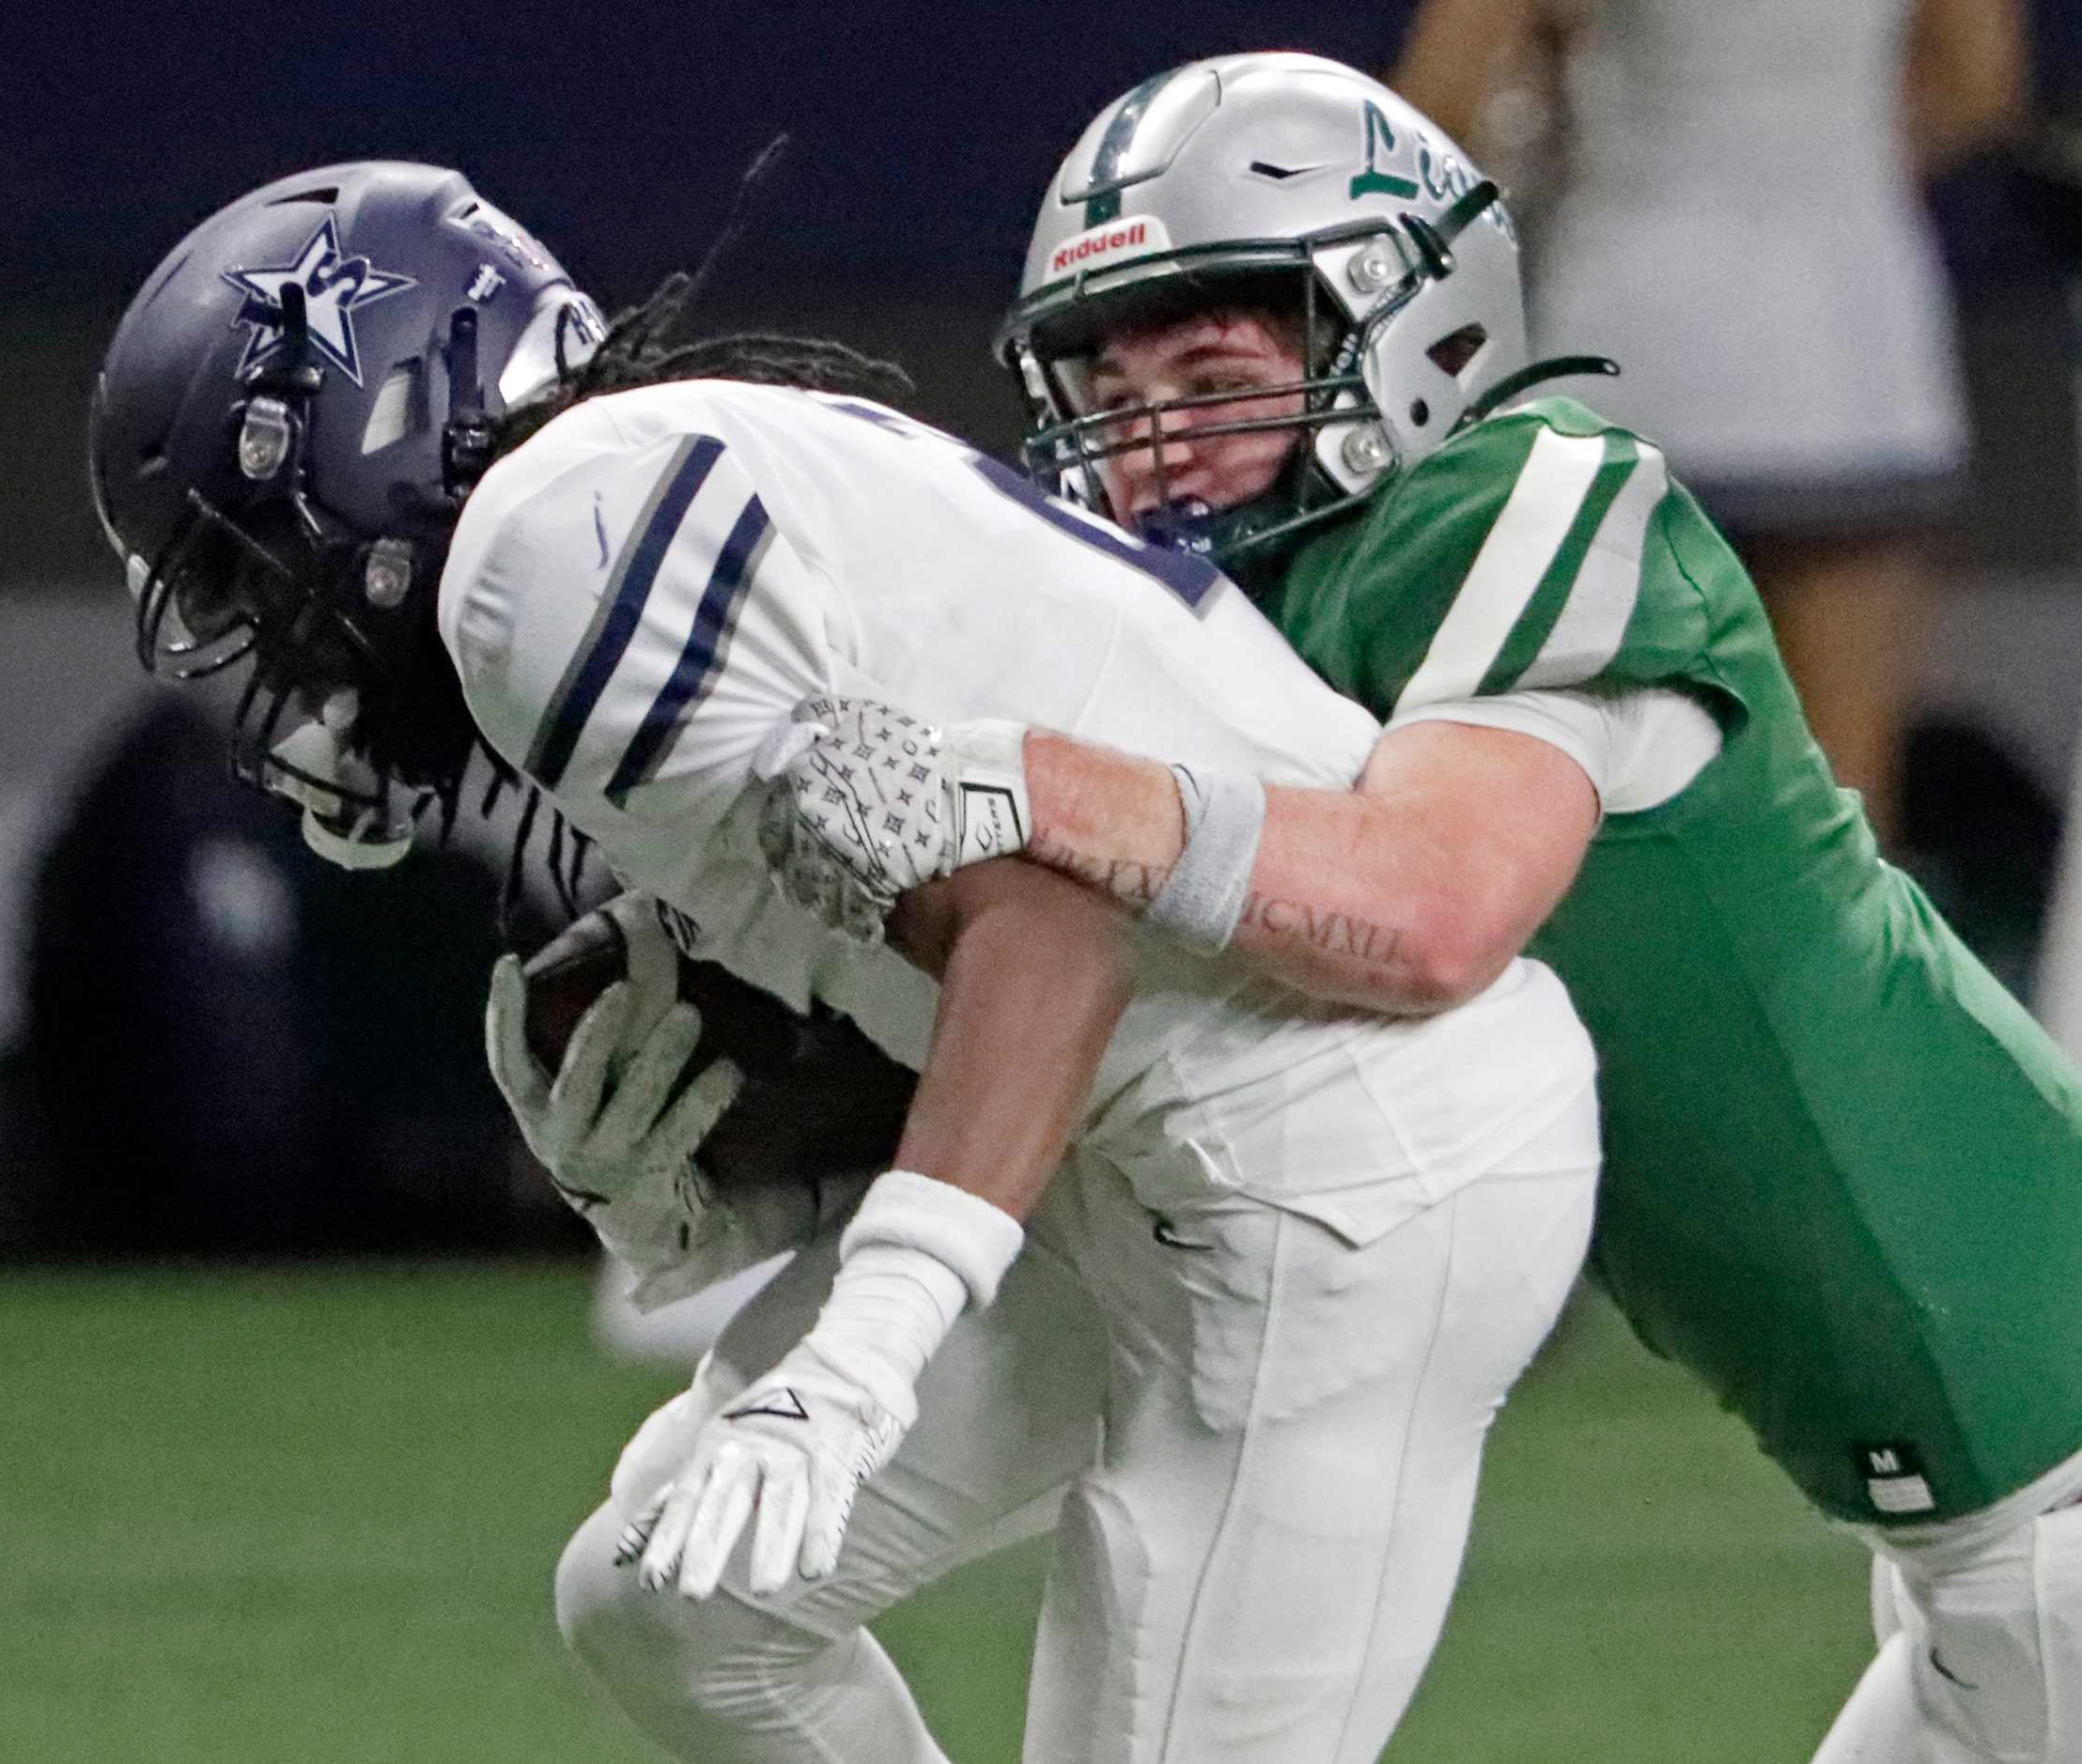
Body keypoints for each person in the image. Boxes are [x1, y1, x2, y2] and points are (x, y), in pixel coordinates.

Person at [86, 160, 1602, 1761]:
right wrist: (760, 1178)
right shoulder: (627, 499)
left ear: (368, 436)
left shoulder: (543, 554)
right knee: (671, 1603)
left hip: (1343, 1165)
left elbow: (1044, 923)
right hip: (1156, 1125)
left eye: (248, 565)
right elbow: (967, 941)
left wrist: (865, 1343)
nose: (263, 639)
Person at [754, 54, 2082, 1764]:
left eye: (1213, 371)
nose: (1150, 440)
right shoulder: (1240, 612)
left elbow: (1434, 903)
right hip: (1981, 1519)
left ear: (1410, 328)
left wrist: (1026, 775)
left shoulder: (1530, 496)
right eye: (1107, 375)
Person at [1393, 0, 2029, 841]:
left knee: (1583, 825)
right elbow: (1978, 86)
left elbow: (1443, 101)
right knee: (1841, 832)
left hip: (1625, 366)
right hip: (1853, 369)